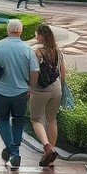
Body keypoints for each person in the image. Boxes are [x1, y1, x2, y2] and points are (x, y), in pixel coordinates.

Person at [0, 18, 39, 169]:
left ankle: (13, 152)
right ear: (20, 32)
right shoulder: (27, 49)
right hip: (21, 92)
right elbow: (34, 71)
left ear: (8, 31)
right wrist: (31, 87)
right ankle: (14, 151)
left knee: (3, 120)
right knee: (19, 120)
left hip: (1, 91)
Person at [29, 25, 64, 166]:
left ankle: (47, 147)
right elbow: (62, 72)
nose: (36, 37)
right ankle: (49, 155)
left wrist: (30, 87)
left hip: (40, 89)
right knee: (51, 120)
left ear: (42, 35)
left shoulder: (36, 52)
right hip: (56, 88)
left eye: (37, 35)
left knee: (36, 118)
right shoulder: (58, 51)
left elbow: (34, 72)